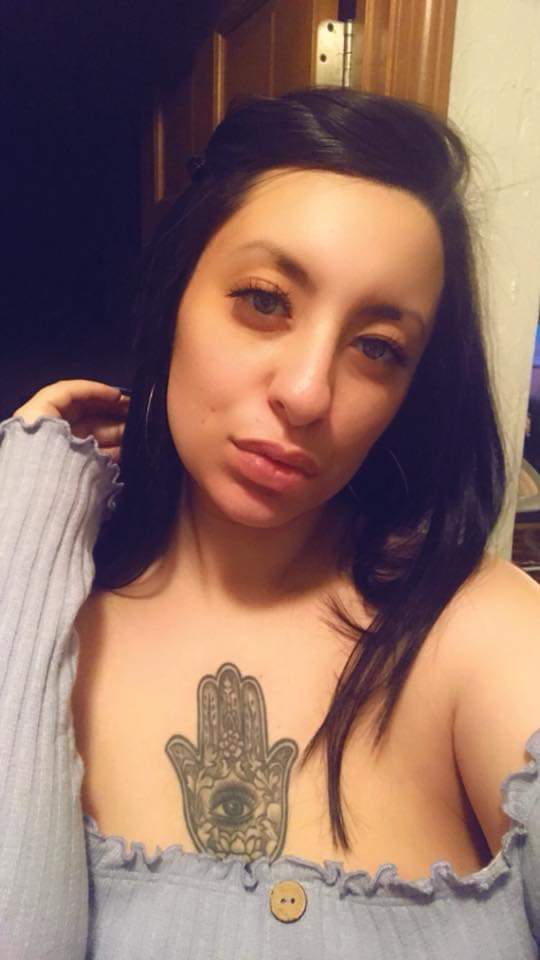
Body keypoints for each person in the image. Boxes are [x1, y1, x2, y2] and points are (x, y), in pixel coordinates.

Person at [1, 86, 539, 959]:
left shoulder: (477, 630)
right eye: (264, 300)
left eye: (377, 347)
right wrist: (29, 503)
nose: (308, 392)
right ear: (175, 297)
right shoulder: (45, 621)